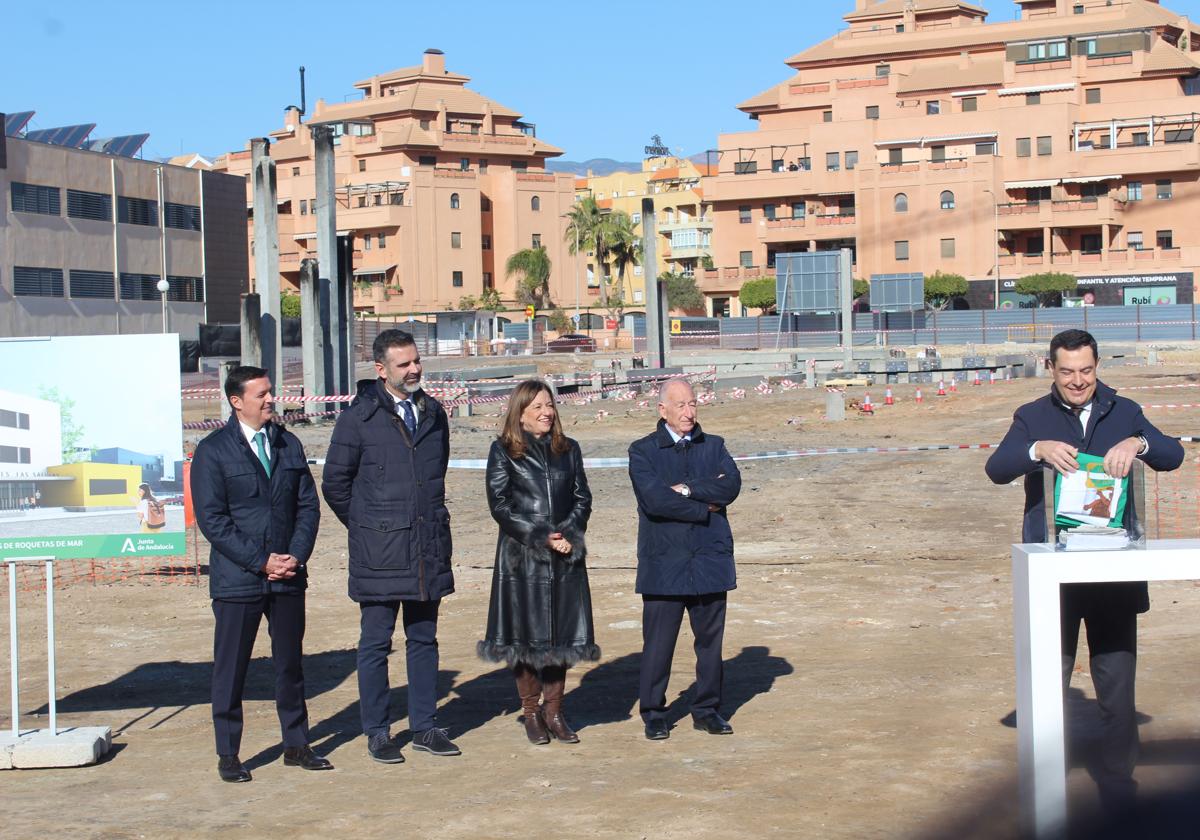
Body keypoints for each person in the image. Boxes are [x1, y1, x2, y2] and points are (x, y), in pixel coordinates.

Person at [985, 329, 1183, 811]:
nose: (1078, 381)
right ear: (1050, 368)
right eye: (1068, 371)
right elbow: (997, 468)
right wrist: (1036, 451)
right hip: (1052, 576)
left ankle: (1119, 789)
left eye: (1087, 371)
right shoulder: (1031, 416)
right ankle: (1046, 788)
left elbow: (1172, 454)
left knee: (1116, 687)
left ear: (1098, 367)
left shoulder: (1125, 411)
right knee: (1049, 682)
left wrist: (1138, 443)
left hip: (1113, 573)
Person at [322, 329, 459, 764]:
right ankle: (378, 732)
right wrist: (370, 527)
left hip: (427, 548)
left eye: (417, 360)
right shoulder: (357, 419)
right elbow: (335, 484)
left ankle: (424, 726)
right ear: (381, 370)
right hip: (378, 554)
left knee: (424, 639)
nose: (415, 369)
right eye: (404, 364)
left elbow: (435, 476)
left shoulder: (434, 414)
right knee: (376, 643)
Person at [190, 365, 330, 783]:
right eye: (262, 394)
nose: (271, 399)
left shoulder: (288, 443)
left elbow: (308, 506)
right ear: (237, 401)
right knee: (231, 668)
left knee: (290, 665)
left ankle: (296, 743)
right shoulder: (213, 451)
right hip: (238, 580)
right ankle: (229, 753)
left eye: (271, 392)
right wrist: (260, 561)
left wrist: (295, 556)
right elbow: (213, 521)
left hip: (287, 576)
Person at [478, 380, 598, 745]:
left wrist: (568, 533)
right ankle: (531, 712)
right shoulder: (503, 451)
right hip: (522, 559)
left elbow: (582, 497)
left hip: (564, 557)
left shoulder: (569, 449)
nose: (546, 412)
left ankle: (555, 710)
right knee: (525, 641)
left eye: (549, 405)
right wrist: (540, 534)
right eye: (538, 407)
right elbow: (500, 505)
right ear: (521, 413)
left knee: (561, 639)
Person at [628, 379, 742, 740]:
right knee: (659, 643)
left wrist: (691, 489)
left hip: (709, 558)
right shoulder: (643, 451)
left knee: (710, 644)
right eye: (679, 405)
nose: (688, 412)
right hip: (665, 561)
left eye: (692, 403)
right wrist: (705, 509)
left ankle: (707, 708)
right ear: (662, 410)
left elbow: (731, 486)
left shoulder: (715, 446)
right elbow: (655, 501)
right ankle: (654, 712)